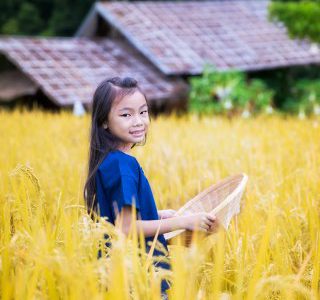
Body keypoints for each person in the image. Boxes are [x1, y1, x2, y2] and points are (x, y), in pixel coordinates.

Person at [83, 77, 218, 299]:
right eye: (126, 114)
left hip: (119, 275)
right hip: (140, 278)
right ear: (104, 121)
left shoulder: (109, 161)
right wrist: (184, 222)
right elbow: (126, 228)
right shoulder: (122, 165)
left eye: (143, 112)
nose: (138, 121)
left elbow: (115, 217)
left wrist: (159, 215)